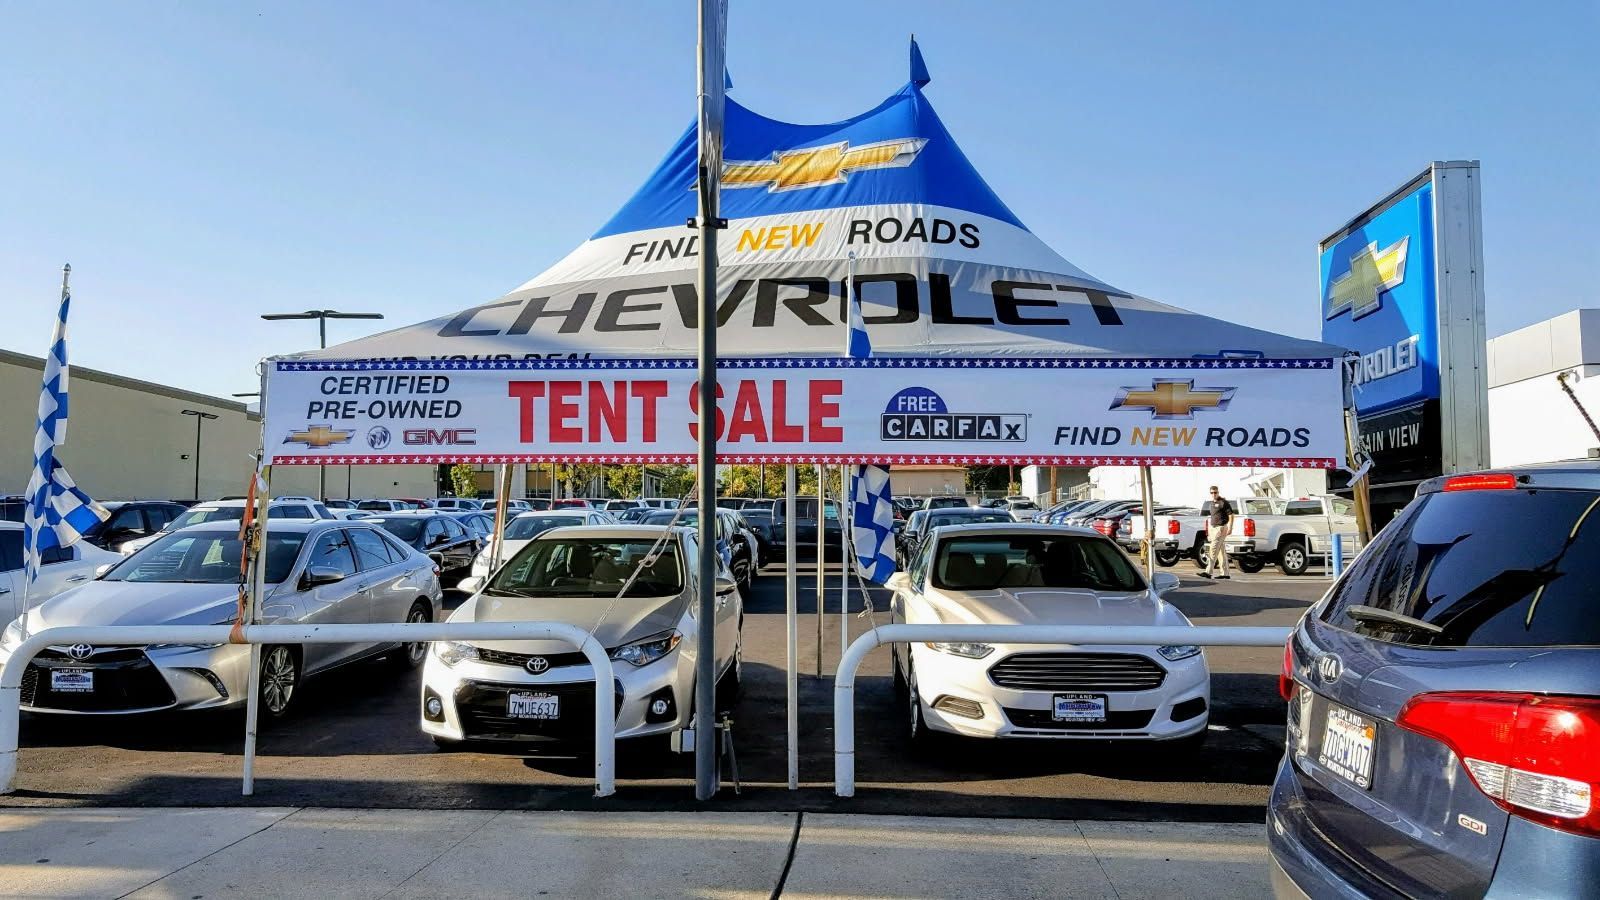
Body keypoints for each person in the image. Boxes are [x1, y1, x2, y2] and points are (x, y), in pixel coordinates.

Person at [1203, 486, 1235, 579]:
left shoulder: (1223, 502)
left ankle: (1208, 572)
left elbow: (1231, 515)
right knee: (1221, 551)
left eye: (1215, 492)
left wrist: (1230, 528)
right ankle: (1225, 574)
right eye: (1212, 493)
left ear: (1218, 492)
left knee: (1213, 549)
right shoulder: (1212, 503)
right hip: (1213, 528)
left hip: (1221, 528)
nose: (1214, 494)